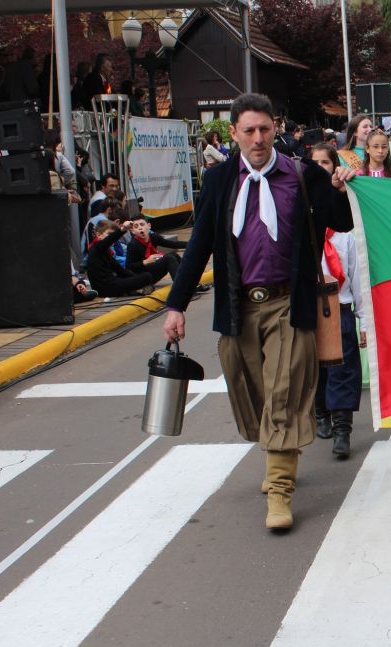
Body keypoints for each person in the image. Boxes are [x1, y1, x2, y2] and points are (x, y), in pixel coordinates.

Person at [162, 92, 356, 531]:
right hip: (238, 307)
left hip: (290, 303)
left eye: (265, 129)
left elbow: (340, 222)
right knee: (255, 398)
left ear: (277, 129)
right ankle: (276, 454)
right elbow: (199, 247)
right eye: (248, 130)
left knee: (285, 393)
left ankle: (280, 489)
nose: (257, 138)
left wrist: (339, 187)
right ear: (233, 133)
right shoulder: (218, 181)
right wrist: (176, 304)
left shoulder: (303, 175)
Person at [308, 144, 367, 457]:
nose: (320, 168)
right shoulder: (303, 224)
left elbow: (357, 275)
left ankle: (343, 429)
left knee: (343, 369)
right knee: (314, 368)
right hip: (308, 307)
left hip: (339, 307)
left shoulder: (345, 230)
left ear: (334, 167)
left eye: (325, 162)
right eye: (314, 163)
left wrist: (364, 321)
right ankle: (321, 413)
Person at [87, 218, 162, 297]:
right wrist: (123, 229)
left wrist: (137, 279)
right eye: (109, 234)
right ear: (98, 235)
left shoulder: (105, 250)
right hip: (105, 288)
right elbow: (110, 239)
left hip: (111, 283)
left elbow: (120, 270)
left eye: (112, 234)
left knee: (144, 276)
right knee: (146, 276)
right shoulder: (97, 247)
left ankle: (132, 290)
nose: (111, 237)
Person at [126, 216, 187, 281]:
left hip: (155, 268)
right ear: (133, 231)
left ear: (149, 226)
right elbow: (129, 266)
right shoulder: (133, 244)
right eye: (136, 226)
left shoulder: (153, 237)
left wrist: (192, 244)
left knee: (175, 255)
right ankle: (180, 286)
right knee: (169, 258)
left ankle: (187, 279)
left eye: (142, 225)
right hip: (144, 275)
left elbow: (172, 244)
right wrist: (145, 261)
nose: (140, 228)